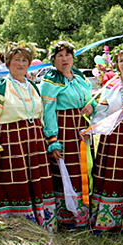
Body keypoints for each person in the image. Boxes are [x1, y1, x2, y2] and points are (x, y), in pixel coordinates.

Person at [0, 42, 56, 232]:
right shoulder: (0, 85)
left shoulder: (31, 86)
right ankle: (14, 227)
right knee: (15, 183)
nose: (20, 64)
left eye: (24, 60)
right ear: (8, 63)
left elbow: (39, 114)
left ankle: (38, 224)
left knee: (34, 180)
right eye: (16, 60)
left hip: (34, 140)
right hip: (11, 141)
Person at [90, 45, 123, 232]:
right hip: (114, 137)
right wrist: (95, 127)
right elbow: (102, 111)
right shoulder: (110, 85)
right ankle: (108, 218)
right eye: (121, 60)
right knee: (114, 175)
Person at [40, 41, 95, 229]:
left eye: (68, 55)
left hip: (82, 128)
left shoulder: (79, 76)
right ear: (53, 60)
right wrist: (53, 138)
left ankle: (85, 213)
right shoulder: (51, 80)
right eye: (60, 56)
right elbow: (48, 110)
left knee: (84, 168)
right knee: (69, 170)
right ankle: (67, 216)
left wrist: (92, 105)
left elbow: (90, 98)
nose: (65, 59)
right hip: (64, 127)